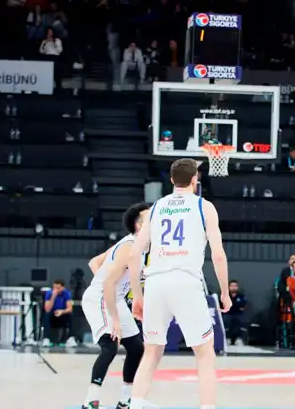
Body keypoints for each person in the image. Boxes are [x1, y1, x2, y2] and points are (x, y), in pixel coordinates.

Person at [127, 158, 232, 409]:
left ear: (172, 180)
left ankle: (136, 404)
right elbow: (218, 255)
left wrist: (137, 295)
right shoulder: (204, 206)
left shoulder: (156, 207)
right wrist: (225, 292)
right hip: (185, 281)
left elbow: (134, 254)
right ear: (195, 180)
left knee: (151, 351)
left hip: (155, 283)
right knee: (204, 353)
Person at [80, 202, 151, 409]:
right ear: (139, 226)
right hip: (100, 298)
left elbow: (94, 262)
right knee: (110, 345)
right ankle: (90, 402)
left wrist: (111, 281)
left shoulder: (140, 246)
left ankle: (125, 400)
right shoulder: (129, 247)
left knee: (136, 348)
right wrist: (116, 320)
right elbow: (108, 283)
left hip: (114, 297)